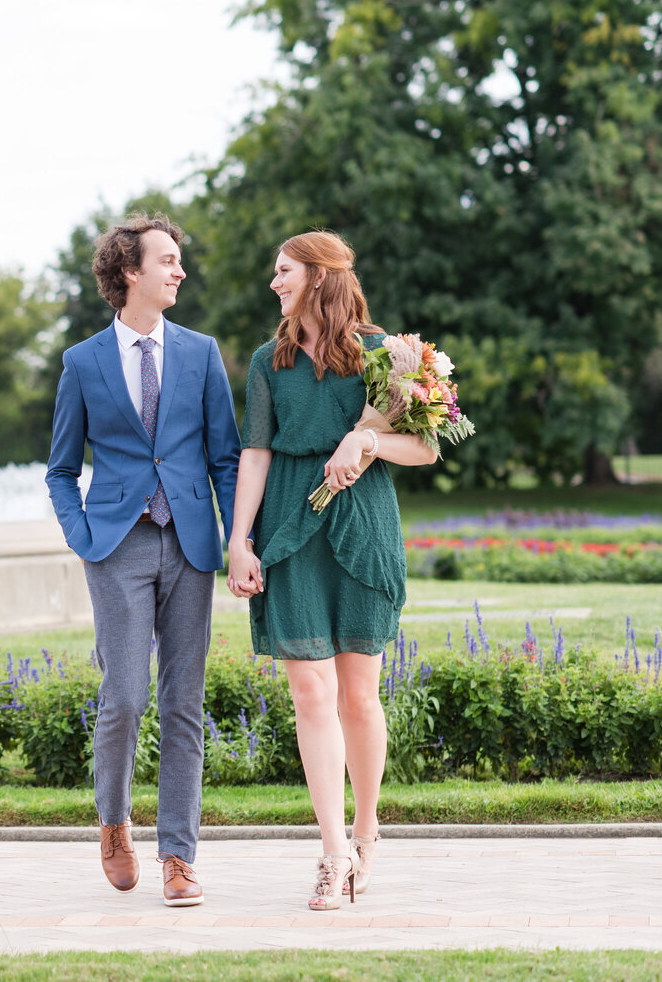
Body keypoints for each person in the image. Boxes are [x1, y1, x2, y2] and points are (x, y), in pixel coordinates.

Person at [224, 231, 438, 910]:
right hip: (290, 524)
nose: (273, 283)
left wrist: (367, 438)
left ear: (317, 277)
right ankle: (332, 852)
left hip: (362, 524)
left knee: (357, 696)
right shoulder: (269, 360)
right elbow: (254, 453)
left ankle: (367, 831)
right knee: (311, 696)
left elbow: (425, 448)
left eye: (283, 271)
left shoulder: (387, 356)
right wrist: (239, 540)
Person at [46, 213, 240, 906]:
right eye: (167, 260)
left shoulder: (201, 352)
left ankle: (179, 857)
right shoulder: (82, 363)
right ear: (130, 271)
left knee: (183, 702)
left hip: (190, 542)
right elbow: (60, 470)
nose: (179, 270)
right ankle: (114, 822)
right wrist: (81, 533)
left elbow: (224, 457)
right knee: (124, 697)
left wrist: (235, 539)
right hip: (117, 544)